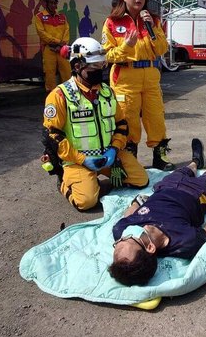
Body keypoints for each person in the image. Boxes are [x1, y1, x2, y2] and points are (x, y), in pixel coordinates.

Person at [41, 37, 148, 211]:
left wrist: (114, 149)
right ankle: (64, 183)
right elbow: (53, 135)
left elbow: (121, 124)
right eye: (95, 67)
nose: (100, 71)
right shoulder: (59, 95)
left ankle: (92, 181)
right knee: (86, 202)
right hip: (77, 160)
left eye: (102, 66)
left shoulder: (107, 92)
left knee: (141, 179)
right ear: (77, 67)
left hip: (108, 155)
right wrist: (82, 159)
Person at [108, 141, 206, 286]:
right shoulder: (184, 241)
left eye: (118, 242)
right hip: (197, 194)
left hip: (165, 187)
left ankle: (196, 161)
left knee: (185, 170)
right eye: (128, 238)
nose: (122, 238)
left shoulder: (120, 231)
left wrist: (137, 201)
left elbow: (128, 215)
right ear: (150, 248)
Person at [102, 0, 175, 170]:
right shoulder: (112, 22)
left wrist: (152, 29)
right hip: (125, 78)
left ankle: (160, 156)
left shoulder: (153, 20)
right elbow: (107, 55)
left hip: (150, 77)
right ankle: (129, 156)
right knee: (128, 119)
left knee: (156, 117)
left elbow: (161, 49)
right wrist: (126, 46)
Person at [34, 0, 71, 92]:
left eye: (55, 3)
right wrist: (57, 42)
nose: (53, 5)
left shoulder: (62, 17)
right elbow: (42, 33)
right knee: (50, 75)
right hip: (49, 50)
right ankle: (52, 97)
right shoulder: (39, 17)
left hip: (62, 50)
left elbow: (67, 32)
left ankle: (68, 95)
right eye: (51, 2)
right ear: (45, 3)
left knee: (67, 73)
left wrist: (61, 45)